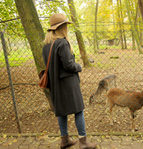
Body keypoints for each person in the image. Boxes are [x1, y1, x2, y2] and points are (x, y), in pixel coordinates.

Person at [42, 13, 97, 149]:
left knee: (61, 112)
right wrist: (78, 66)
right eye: (66, 25)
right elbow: (69, 65)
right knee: (79, 110)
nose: (67, 27)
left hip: (55, 85)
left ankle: (64, 140)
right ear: (62, 27)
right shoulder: (62, 43)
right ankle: (83, 142)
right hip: (68, 84)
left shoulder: (46, 46)